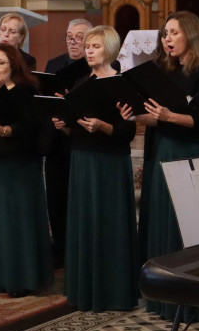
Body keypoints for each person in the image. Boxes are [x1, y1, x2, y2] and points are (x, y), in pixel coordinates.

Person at [134, 11, 199, 319]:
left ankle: (195, 302)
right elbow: (150, 115)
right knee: (163, 218)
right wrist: (128, 111)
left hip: (190, 151)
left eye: (174, 33)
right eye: (165, 34)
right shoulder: (161, 72)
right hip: (162, 148)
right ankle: (163, 298)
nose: (167, 39)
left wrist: (169, 117)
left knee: (189, 226)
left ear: (191, 36)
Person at [52, 26, 139, 311]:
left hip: (110, 162)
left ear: (110, 50)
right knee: (85, 224)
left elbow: (128, 131)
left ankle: (114, 292)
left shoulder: (123, 83)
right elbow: (74, 131)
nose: (89, 51)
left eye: (95, 47)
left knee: (110, 225)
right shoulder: (79, 83)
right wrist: (63, 126)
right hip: (83, 159)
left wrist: (103, 126)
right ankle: (85, 291)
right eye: (87, 47)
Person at [0, 43, 52, 297]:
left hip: (19, 166)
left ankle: (21, 279)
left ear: (13, 65)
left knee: (17, 223)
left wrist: (5, 130)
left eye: (0, 62)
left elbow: (34, 128)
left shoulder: (26, 92)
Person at [43, 18, 92, 266]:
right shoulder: (54, 64)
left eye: (79, 37)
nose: (73, 42)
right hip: (55, 142)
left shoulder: (95, 66)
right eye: (69, 37)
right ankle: (60, 249)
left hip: (80, 140)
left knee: (78, 199)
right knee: (56, 197)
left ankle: (78, 250)